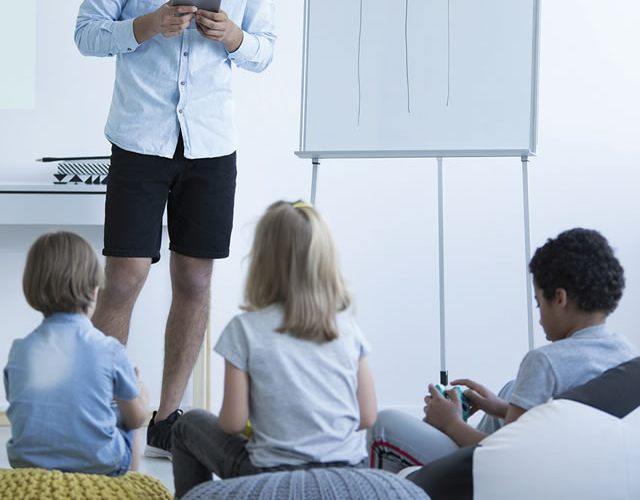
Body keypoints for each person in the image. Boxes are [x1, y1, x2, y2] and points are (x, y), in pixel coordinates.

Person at [74, 0, 277, 457]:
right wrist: (146, 25)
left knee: (194, 282)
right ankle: (99, 417)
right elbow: (86, 33)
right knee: (127, 276)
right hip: (141, 137)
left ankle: (166, 420)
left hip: (212, 144)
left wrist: (234, 38)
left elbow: (266, 51)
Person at [367, 228, 637, 472]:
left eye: (538, 303)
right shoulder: (627, 356)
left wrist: (450, 423)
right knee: (511, 388)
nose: (540, 317)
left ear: (559, 298)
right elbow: (560, 422)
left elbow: (506, 460)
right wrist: (498, 407)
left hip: (508, 476)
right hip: (575, 465)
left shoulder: (545, 362)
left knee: (383, 424)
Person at [170, 201, 378, 499]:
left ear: (262, 261)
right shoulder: (346, 327)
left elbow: (232, 422)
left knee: (186, 424)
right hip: (348, 471)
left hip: (270, 477)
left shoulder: (245, 329)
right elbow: (367, 417)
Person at [3, 231, 149, 475]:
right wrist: (137, 391)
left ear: (31, 288)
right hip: (100, 463)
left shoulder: (19, 350)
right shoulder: (109, 348)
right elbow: (135, 420)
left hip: (26, 463)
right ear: (94, 291)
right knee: (128, 408)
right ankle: (130, 485)